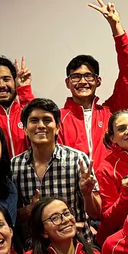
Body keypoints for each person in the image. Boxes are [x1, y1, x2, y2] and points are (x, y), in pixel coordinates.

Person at [60, 0, 128, 159]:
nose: (83, 81)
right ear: (67, 82)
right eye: (76, 77)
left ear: (98, 81)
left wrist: (116, 27)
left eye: (88, 76)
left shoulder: (111, 112)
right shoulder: (57, 118)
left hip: (109, 176)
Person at [11, 98, 103, 236]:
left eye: (47, 120)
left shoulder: (77, 160)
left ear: (57, 128)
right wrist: (28, 210)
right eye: (34, 120)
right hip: (35, 245)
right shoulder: (15, 165)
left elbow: (95, 214)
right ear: (25, 129)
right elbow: (11, 217)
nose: (41, 126)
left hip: (76, 242)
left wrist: (87, 194)